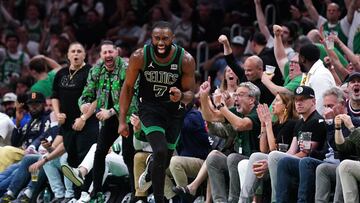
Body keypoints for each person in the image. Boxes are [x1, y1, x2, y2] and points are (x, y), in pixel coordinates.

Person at [118, 21, 195, 203]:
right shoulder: (140, 56)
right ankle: (159, 200)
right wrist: (122, 120)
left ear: (172, 39)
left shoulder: (185, 60)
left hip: (174, 112)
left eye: (165, 39)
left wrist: (181, 95)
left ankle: (150, 169)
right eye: (157, 38)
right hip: (150, 108)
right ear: (151, 38)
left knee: (165, 160)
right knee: (159, 151)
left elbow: (190, 95)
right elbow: (128, 87)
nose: (161, 42)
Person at [79, 40, 137, 202]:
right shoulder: (96, 69)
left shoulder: (127, 69)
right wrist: (84, 104)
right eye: (104, 53)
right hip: (108, 119)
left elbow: (131, 96)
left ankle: (136, 194)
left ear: (116, 52)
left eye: (110, 52)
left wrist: (111, 111)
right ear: (101, 55)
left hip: (127, 117)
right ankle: (96, 192)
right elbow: (87, 92)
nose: (108, 55)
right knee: (99, 153)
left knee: (128, 154)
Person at [52, 42, 98, 198]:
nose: (76, 54)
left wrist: (84, 118)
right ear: (68, 55)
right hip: (67, 125)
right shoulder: (61, 73)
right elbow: (54, 96)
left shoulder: (91, 71)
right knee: (70, 159)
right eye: (73, 51)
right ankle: (76, 196)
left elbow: (97, 98)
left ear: (85, 55)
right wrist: (58, 114)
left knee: (84, 157)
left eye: (79, 51)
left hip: (87, 123)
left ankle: (86, 194)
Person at [238, 92, 298, 203]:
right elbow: (263, 149)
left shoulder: (291, 123)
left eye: (277, 101)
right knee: (253, 157)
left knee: (259, 157)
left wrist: (268, 124)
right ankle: (244, 200)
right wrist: (263, 125)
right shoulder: (275, 124)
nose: (273, 104)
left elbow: (273, 150)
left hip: (282, 163)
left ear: (286, 105)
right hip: (271, 160)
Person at [298, 43, 336, 114]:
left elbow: (320, 106)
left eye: (299, 57)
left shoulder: (320, 75)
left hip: (317, 123)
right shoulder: (311, 74)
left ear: (303, 59)